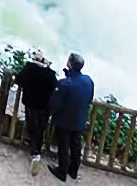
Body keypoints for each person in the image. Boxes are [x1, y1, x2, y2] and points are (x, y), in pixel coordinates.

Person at [48, 52, 95, 182]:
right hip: (80, 119)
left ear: (69, 64)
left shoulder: (64, 84)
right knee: (75, 145)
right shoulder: (88, 81)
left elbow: (55, 103)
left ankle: (62, 171)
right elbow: (89, 99)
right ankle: (73, 170)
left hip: (64, 120)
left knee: (63, 145)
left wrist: (52, 115)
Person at [17, 50, 59, 175]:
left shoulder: (29, 69)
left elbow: (19, 80)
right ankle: (36, 151)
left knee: (32, 125)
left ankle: (35, 152)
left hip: (31, 104)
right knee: (40, 128)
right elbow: (54, 87)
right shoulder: (50, 74)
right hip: (45, 107)